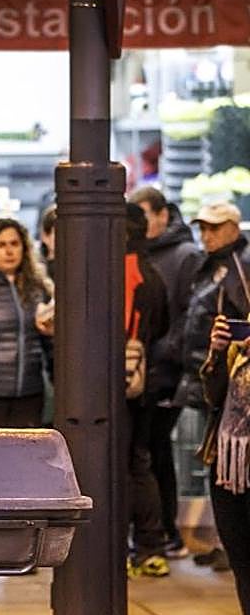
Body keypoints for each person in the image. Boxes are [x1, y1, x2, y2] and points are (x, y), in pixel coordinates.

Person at [130, 187, 207, 557]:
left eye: (144, 216)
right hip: (149, 367)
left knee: (154, 452)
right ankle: (158, 532)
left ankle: (165, 533)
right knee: (148, 451)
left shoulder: (185, 256)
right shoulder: (141, 257)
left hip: (167, 371)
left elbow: (189, 315)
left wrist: (164, 351)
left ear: (163, 215)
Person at [178, 201, 250, 571]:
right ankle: (225, 543)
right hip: (217, 396)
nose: (207, 235)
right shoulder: (209, 267)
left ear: (234, 229)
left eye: (215, 227)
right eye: (203, 228)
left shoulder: (240, 266)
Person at [199, 301, 250, 615]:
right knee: (243, 562)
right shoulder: (239, 342)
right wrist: (217, 351)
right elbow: (213, 398)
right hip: (229, 464)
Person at [124, 203, 171, 578]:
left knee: (128, 465)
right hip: (148, 382)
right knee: (141, 462)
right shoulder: (152, 272)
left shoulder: (127, 272)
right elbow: (165, 324)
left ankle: (142, 545)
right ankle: (151, 546)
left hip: (122, 387)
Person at [0, 218, 53, 427]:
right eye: (1, 245)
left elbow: (50, 345)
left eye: (14, 244)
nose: (9, 251)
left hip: (31, 390)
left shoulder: (38, 288)